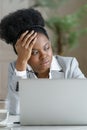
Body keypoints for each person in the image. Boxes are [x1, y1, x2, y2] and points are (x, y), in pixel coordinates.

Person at [0, 8, 86, 115]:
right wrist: (21, 64)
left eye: (46, 48)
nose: (44, 56)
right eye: (35, 52)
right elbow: (15, 111)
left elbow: (84, 101)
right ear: (23, 54)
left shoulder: (69, 65)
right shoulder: (16, 68)